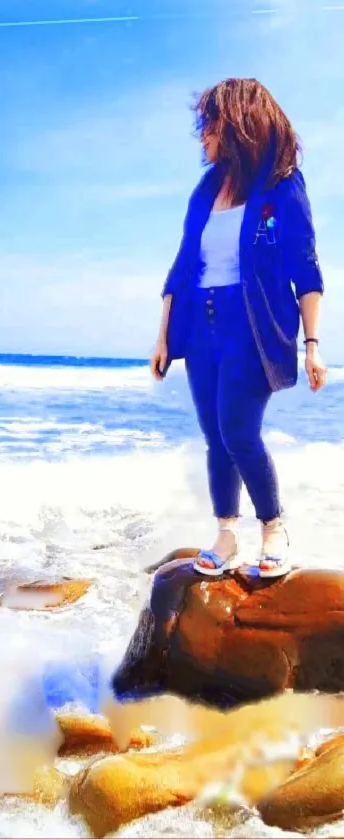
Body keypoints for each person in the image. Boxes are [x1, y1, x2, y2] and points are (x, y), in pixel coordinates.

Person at [150, 77, 327, 579]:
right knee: (214, 435)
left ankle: (273, 527)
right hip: (200, 322)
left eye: (208, 124)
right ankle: (226, 532)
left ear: (235, 123)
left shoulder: (282, 183)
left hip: (253, 325)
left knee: (238, 430)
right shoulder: (206, 189)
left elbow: (305, 267)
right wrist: (164, 335)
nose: (201, 135)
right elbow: (183, 263)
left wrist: (312, 345)